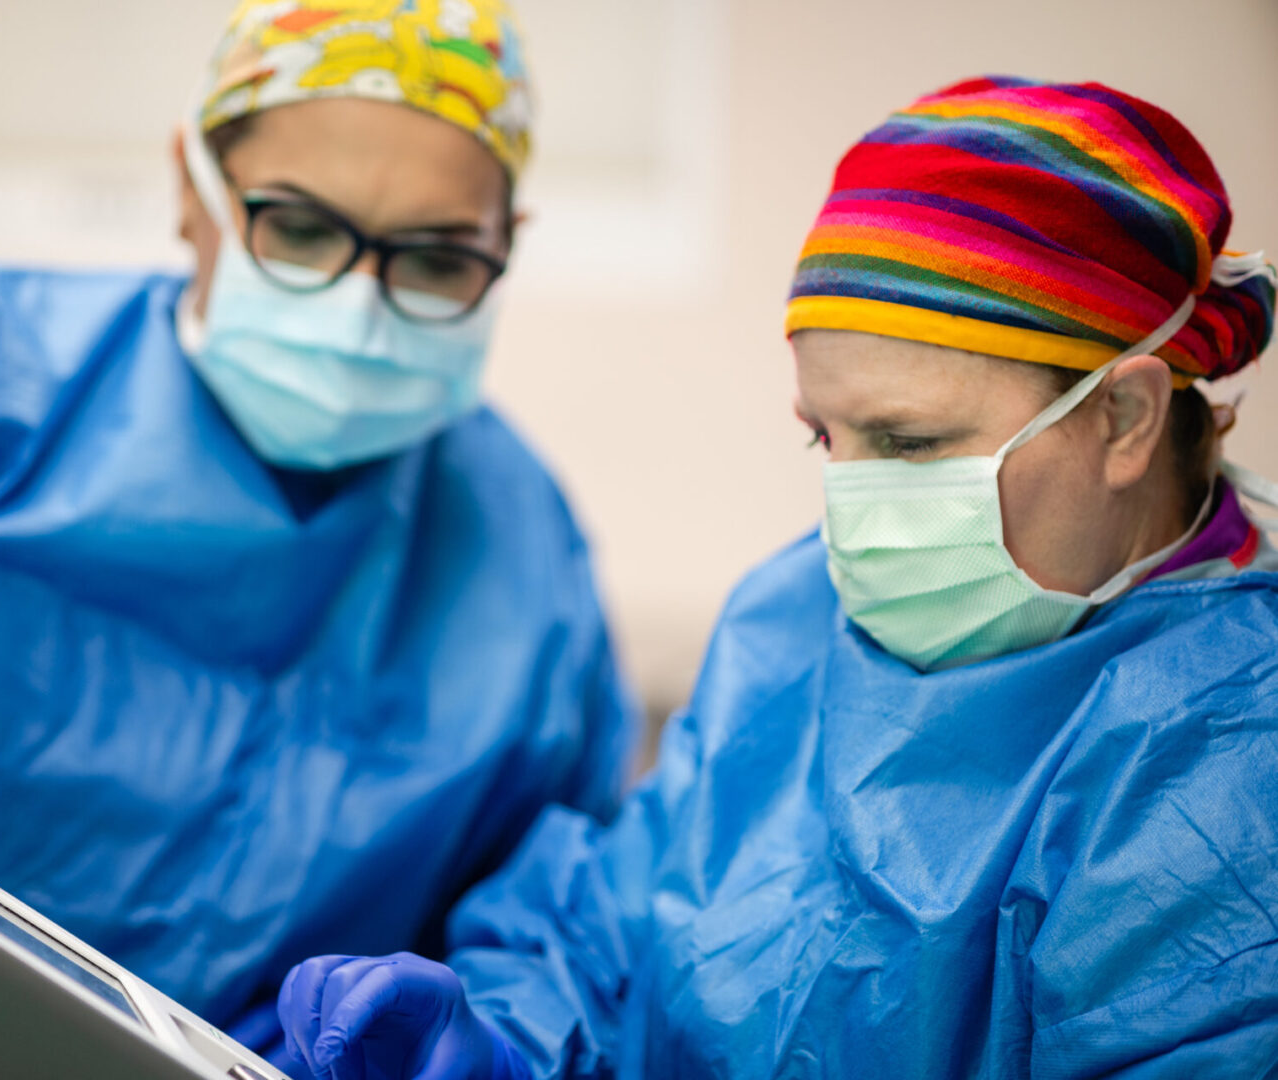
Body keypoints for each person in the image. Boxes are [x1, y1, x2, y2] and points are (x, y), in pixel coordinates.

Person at [0, 0, 637, 1053]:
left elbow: (558, 912)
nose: (360, 305)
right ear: (191, 187)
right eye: (299, 228)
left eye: (436, 259)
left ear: (506, 247)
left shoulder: (526, 550)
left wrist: (487, 1041)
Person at [277, 77, 1278, 1078]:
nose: (855, 512)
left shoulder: (1229, 758)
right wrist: (495, 1046)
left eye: (911, 443)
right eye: (823, 438)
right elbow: (618, 933)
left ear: (1125, 420)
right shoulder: (798, 614)